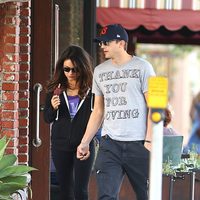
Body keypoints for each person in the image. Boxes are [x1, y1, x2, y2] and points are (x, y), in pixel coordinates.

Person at [77, 24, 156, 200]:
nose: (102, 46)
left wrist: (149, 141)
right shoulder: (99, 71)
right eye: (100, 43)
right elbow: (98, 110)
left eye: (106, 42)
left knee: (148, 195)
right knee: (106, 196)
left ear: (121, 43)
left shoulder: (143, 68)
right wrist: (85, 142)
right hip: (109, 144)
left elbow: (154, 106)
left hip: (138, 143)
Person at [43, 45, 95, 200]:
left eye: (75, 69)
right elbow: (47, 118)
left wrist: (90, 141)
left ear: (83, 68)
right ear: (62, 68)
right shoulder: (55, 90)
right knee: (65, 190)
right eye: (67, 69)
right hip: (60, 145)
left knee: (81, 190)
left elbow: (98, 117)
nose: (71, 73)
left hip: (84, 144)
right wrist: (52, 107)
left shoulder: (91, 92)